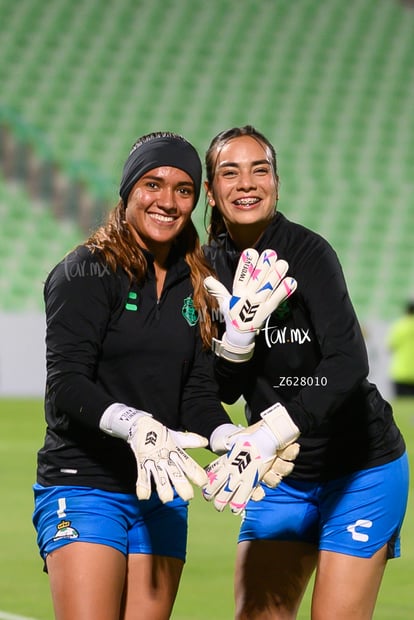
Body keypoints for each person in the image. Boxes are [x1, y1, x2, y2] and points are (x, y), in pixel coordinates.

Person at [32, 131, 248, 620]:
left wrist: (231, 437)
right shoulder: (85, 272)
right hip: (84, 483)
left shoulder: (196, 279)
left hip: (162, 490)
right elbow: (66, 384)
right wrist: (134, 423)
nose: (168, 201)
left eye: (184, 189)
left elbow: (195, 393)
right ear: (128, 190)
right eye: (153, 184)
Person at [201, 125, 409, 620]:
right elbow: (226, 388)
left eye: (260, 170)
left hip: (361, 467)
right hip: (283, 477)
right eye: (230, 172)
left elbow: (347, 362)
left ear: (276, 181)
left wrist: (273, 429)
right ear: (211, 191)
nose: (247, 183)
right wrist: (236, 340)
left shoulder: (309, 253)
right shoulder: (206, 269)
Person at [387, 300, 414, 396]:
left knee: (401, 406)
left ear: (406, 311)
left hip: (401, 372)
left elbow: (390, 347)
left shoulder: (399, 326)